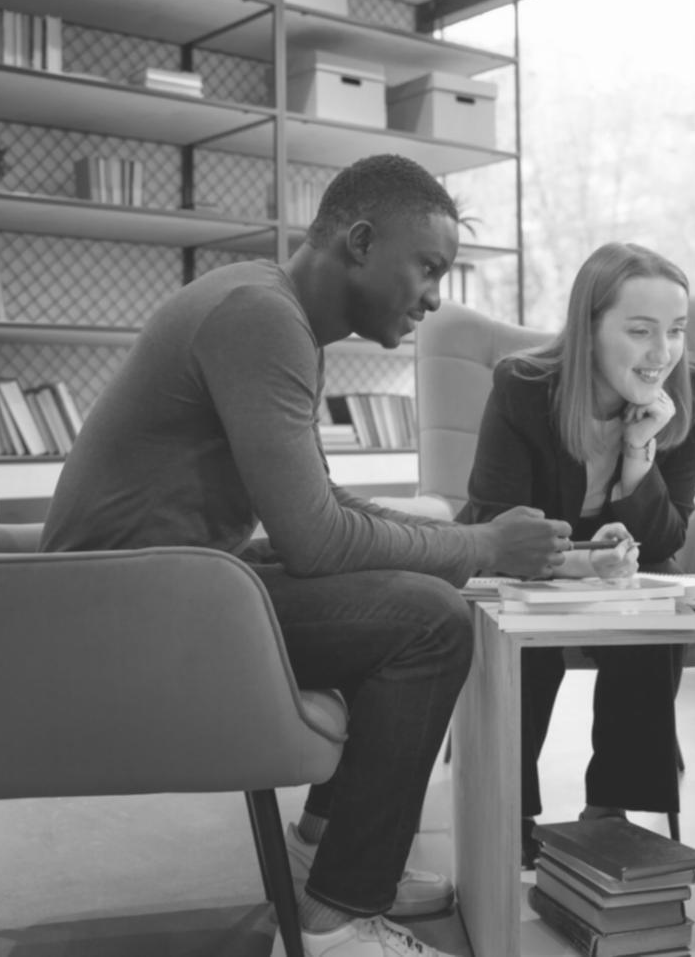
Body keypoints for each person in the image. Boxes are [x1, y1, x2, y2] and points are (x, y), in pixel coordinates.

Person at [41, 154, 571, 957]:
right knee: (427, 621)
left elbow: (319, 507)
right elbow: (317, 542)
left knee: (406, 588)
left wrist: (462, 542)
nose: (435, 297)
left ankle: (326, 849)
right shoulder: (260, 318)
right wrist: (481, 545)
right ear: (360, 241)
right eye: (428, 268)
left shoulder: (270, 309)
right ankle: (340, 915)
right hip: (127, 609)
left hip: (164, 587)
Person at [456, 241, 695, 867]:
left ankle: (610, 811)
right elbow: (498, 527)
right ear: (590, 328)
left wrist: (637, 457)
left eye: (676, 331)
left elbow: (666, 538)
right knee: (531, 632)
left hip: (622, 567)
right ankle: (511, 807)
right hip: (518, 562)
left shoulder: (689, 390)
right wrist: (579, 563)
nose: (663, 354)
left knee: (657, 611)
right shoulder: (523, 388)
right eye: (640, 331)